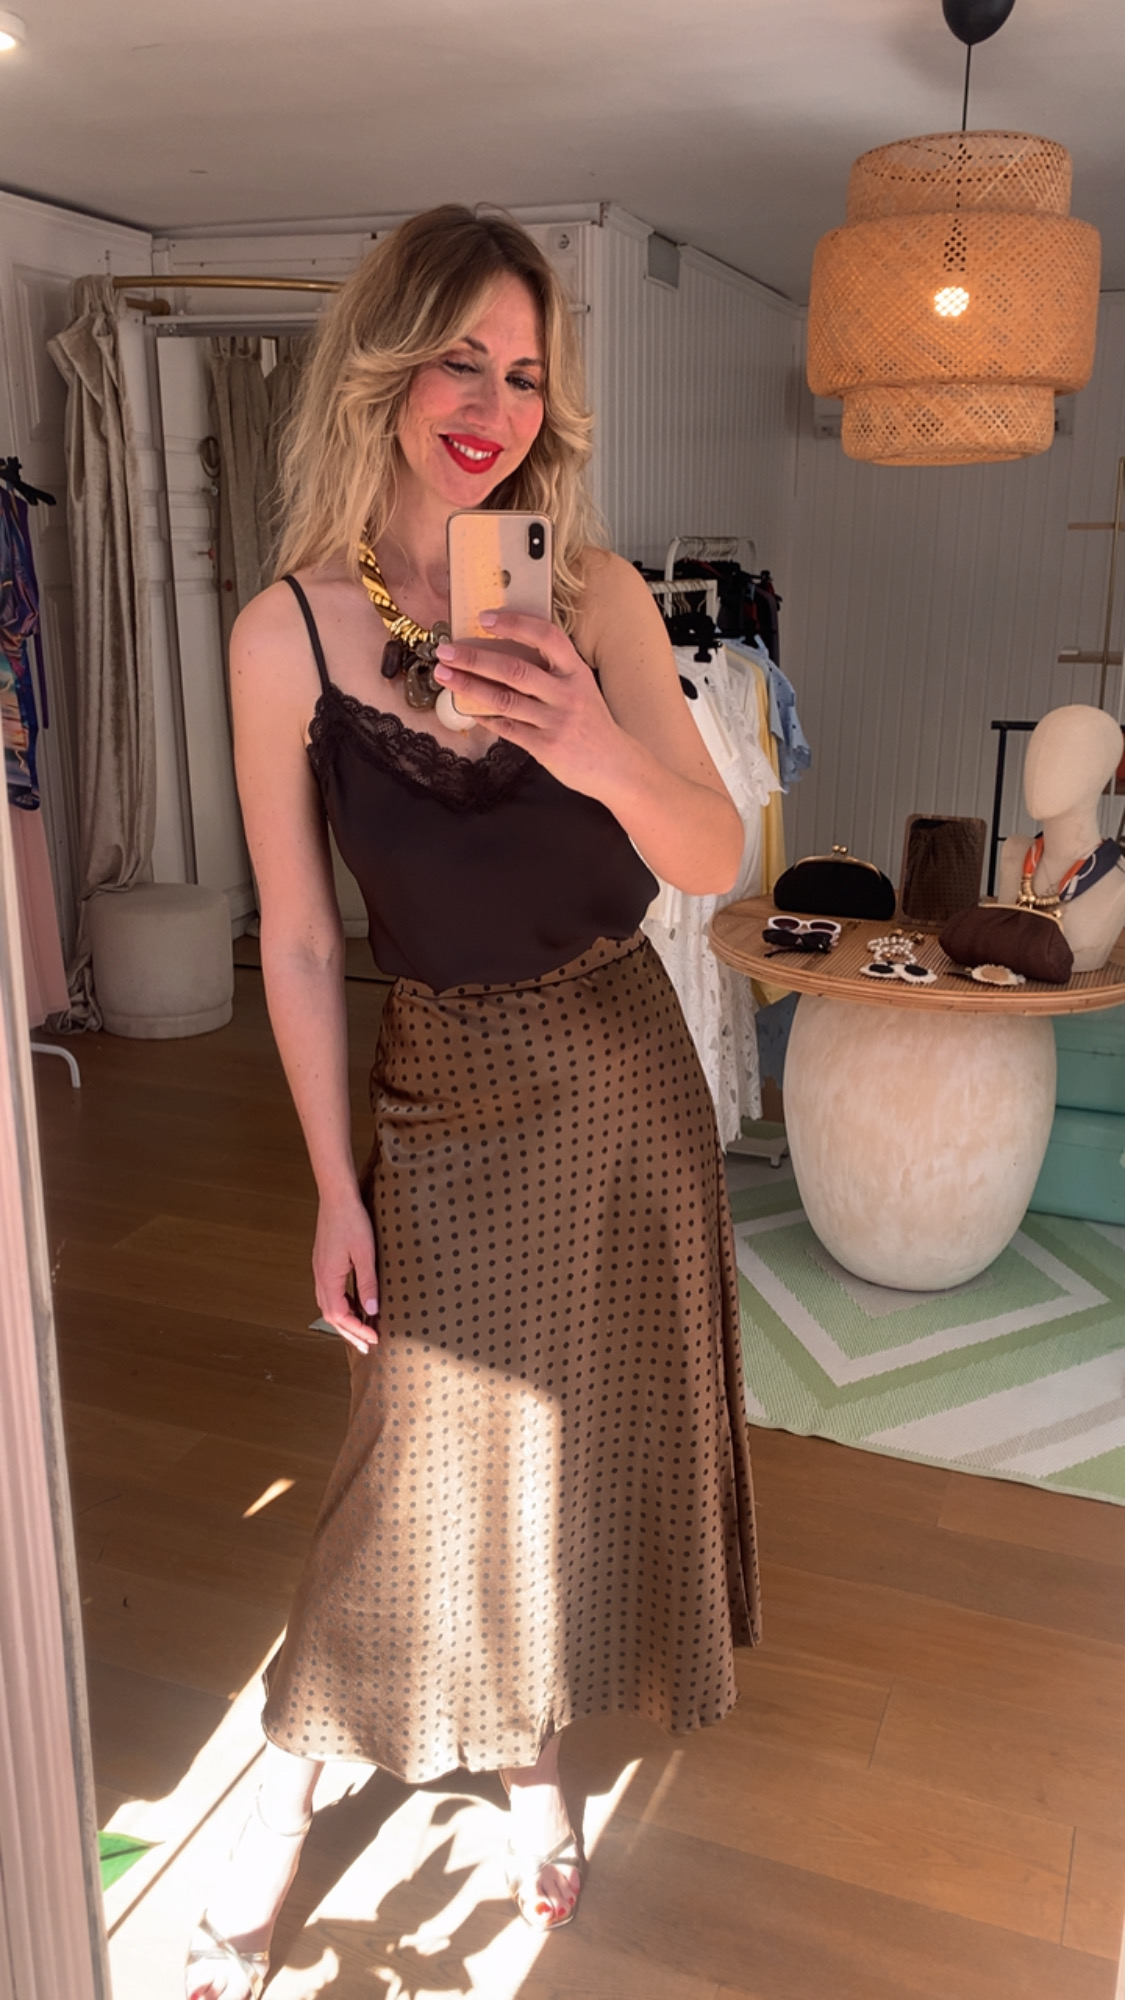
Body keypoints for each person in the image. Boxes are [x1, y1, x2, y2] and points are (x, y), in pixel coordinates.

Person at [186, 204, 761, 2000]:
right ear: (384, 364)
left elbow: (712, 856)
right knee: (412, 1465)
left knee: (573, 1449)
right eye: (459, 358)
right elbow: (297, 940)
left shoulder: (590, 597)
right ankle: (288, 1783)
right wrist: (328, 1186)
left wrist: (586, 737)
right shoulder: (284, 635)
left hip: (628, 1077)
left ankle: (529, 1762)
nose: (491, 406)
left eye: (523, 374)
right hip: (445, 1087)